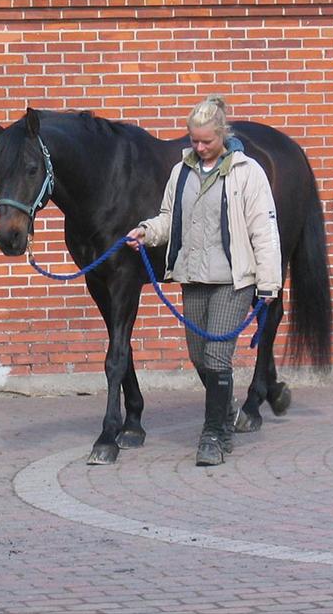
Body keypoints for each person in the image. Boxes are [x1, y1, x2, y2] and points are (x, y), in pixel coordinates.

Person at [125, 95, 281, 466]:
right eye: (194, 140)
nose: (199, 147)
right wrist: (148, 232)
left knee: (217, 355)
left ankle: (213, 435)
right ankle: (226, 413)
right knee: (199, 357)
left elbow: (264, 229)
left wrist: (269, 283)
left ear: (222, 135)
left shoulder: (247, 173)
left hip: (233, 280)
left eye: (206, 141)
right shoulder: (181, 173)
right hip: (193, 277)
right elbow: (169, 217)